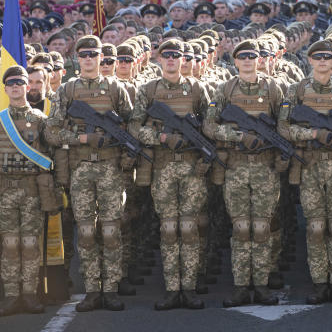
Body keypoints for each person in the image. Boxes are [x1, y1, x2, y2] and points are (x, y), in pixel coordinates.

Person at [45, 35, 134, 312]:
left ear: (100, 57)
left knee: (110, 230)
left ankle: (111, 288)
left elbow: (131, 127)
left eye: (93, 54)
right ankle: (93, 290)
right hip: (81, 168)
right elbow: (52, 131)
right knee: (85, 232)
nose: (88, 59)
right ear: (76, 58)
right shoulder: (68, 91)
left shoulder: (117, 88)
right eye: (83, 54)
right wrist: (83, 139)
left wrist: (126, 159)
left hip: (110, 168)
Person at [129, 39, 211, 311]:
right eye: (168, 55)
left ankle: (188, 287)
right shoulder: (148, 90)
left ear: (185, 59)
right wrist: (161, 137)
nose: (173, 59)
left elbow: (209, 126)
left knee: (188, 228)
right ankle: (171, 288)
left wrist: (195, 140)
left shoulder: (198, 88)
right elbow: (135, 128)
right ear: (159, 59)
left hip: (190, 168)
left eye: (178, 55)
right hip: (163, 166)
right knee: (168, 229)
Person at [203, 39, 286, 308]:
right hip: (237, 166)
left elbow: (283, 126)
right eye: (243, 56)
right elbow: (209, 125)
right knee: (240, 228)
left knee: (261, 228)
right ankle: (240, 285)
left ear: (259, 60)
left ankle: (260, 284)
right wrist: (238, 136)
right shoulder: (225, 89)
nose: (248, 60)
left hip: (264, 167)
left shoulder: (274, 88)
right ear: (236, 61)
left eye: (253, 56)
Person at [277, 40, 332, 305]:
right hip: (310, 164)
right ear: (310, 61)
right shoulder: (296, 90)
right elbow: (284, 128)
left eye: (327, 57)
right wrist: (312, 133)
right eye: (317, 57)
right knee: (315, 226)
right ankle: (320, 282)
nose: (323, 61)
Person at [0, 66, 58, 316]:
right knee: (10, 245)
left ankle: (30, 295)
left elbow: (54, 155)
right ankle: (12, 296)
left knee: (31, 243)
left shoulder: (39, 120)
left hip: (32, 190)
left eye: (19, 83)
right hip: (5, 190)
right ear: (5, 88)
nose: (15, 87)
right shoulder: (1, 118)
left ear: (28, 87)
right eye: (10, 83)